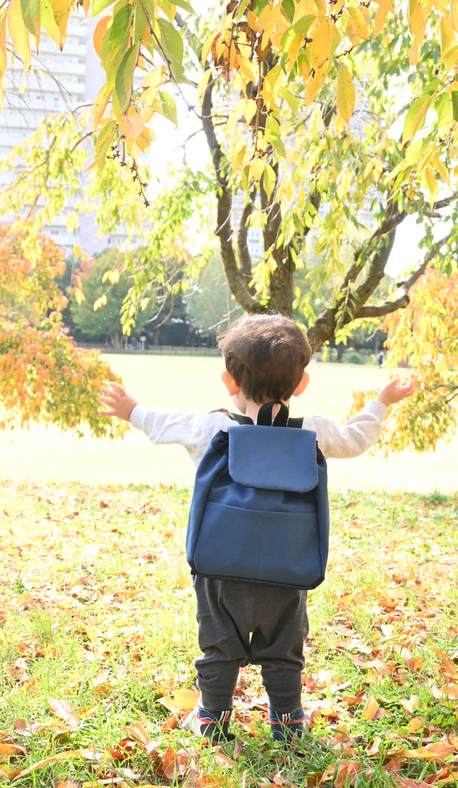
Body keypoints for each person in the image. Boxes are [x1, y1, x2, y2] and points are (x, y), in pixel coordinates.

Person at [99, 314, 414, 745]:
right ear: (301, 384)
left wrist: (129, 410)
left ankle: (211, 720)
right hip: (289, 568)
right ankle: (288, 727)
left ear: (229, 381)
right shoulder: (314, 432)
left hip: (219, 568)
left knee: (218, 644)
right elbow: (357, 439)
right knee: (284, 649)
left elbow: (164, 424)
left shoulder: (216, 428)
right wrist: (381, 401)